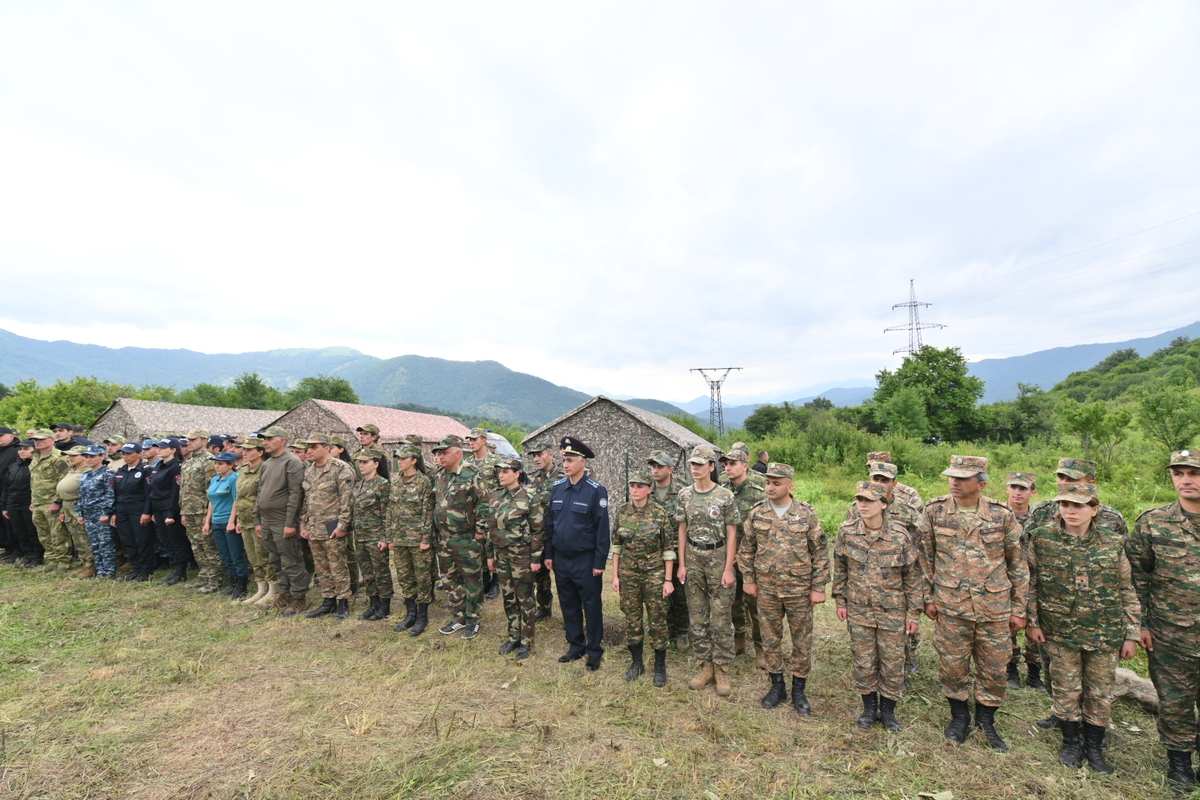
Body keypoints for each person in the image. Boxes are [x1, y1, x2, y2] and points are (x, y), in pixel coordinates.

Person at [1026, 481, 1139, 774]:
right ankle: (1071, 742)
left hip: (1104, 632)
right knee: (1066, 689)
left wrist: (1132, 633)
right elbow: (1031, 585)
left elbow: (1126, 589)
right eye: (1064, 504)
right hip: (1059, 630)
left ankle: (1094, 746)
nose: (1070, 510)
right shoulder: (1041, 538)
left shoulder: (1113, 542)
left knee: (1099, 693)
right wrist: (1033, 623)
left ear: (1094, 509)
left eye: (1078, 505)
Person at [922, 455, 1028, 751]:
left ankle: (986, 720)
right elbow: (924, 558)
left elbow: (1018, 564)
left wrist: (1019, 609)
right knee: (952, 666)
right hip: (951, 605)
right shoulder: (934, 511)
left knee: (994, 668)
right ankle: (959, 717)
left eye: (962, 478)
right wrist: (927, 598)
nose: (954, 482)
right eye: (951, 477)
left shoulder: (1001, 514)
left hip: (994, 607)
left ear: (981, 484)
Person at [1127, 450, 1200, 795]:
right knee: (1174, 701)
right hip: (1170, 633)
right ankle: (1180, 766)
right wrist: (1139, 624)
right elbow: (1137, 576)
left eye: (1194, 473)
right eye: (1178, 473)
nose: (1186, 480)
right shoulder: (1153, 522)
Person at [739, 462, 830, 715]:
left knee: (802, 640)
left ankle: (799, 689)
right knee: (770, 638)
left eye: (776, 483)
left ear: (790, 486)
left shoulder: (806, 514)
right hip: (767, 588)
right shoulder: (757, 513)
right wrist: (749, 579)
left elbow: (820, 552)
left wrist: (818, 587)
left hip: (799, 589)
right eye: (768, 482)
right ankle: (777, 686)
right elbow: (747, 548)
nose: (770, 487)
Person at [833, 482, 922, 732]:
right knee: (863, 661)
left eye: (869, 500)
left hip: (892, 611)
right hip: (859, 609)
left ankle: (889, 711)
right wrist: (840, 600)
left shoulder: (900, 535)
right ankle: (869, 708)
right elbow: (840, 568)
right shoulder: (847, 532)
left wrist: (913, 614)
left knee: (893, 663)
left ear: (883, 504)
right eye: (860, 500)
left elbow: (912, 578)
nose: (862, 505)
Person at [847, 461, 931, 680]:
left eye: (885, 480)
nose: (880, 483)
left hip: (898, 571)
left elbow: (920, 543)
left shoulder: (907, 511)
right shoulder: (857, 508)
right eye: (876, 479)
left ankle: (904, 663)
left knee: (901, 625)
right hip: (867, 573)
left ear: (894, 483)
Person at [676, 445, 740, 696]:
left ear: (711, 467)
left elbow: (732, 533)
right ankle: (705, 665)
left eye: (700, 464)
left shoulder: (724, 496)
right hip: (693, 557)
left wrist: (728, 568)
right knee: (697, 616)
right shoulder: (684, 495)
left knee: (721, 617)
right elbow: (682, 529)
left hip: (718, 556)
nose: (695, 468)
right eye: (692, 464)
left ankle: (722, 667)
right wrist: (682, 564)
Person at [544, 436, 609, 670]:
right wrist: (549, 554)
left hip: (585, 559)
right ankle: (576, 645)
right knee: (568, 603)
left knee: (591, 605)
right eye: (564, 460)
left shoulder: (595, 491)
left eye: (570, 460)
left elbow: (602, 529)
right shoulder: (558, 488)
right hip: (561, 558)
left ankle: (594, 650)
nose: (565, 464)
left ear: (583, 462)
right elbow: (550, 524)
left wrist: (599, 561)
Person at [612, 469, 674, 685]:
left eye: (640, 486)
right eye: (632, 486)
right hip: (628, 574)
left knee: (657, 619)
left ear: (649, 489)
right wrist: (615, 576)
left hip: (654, 575)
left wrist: (668, 580)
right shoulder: (622, 513)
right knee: (632, 619)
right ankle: (637, 662)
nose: (635, 490)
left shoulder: (659, 513)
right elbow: (617, 546)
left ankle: (660, 666)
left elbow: (668, 549)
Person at [430, 434, 489, 639]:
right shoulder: (439, 476)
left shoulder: (472, 474)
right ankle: (459, 617)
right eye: (438, 453)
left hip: (466, 539)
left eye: (444, 453)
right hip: (444, 539)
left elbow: (484, 504)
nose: (440, 456)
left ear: (457, 454)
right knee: (450, 580)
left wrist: (480, 532)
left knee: (471, 580)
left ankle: (473, 620)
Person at [487, 457, 544, 659]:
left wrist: (535, 559)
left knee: (525, 598)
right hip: (501, 554)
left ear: (517, 474)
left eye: (505, 471)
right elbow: (490, 527)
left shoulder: (529, 496)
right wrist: (490, 555)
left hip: (522, 556)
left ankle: (527, 641)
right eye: (499, 471)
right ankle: (513, 637)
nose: (501, 475)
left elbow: (538, 530)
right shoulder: (496, 495)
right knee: (508, 596)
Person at [299, 434, 355, 620]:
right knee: (321, 566)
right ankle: (328, 600)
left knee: (337, 564)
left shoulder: (341, 468)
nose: (309, 451)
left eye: (314, 447)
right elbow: (307, 500)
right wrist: (304, 524)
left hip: (332, 524)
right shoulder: (310, 471)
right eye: (308, 447)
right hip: (314, 525)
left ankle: (343, 601)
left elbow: (347, 500)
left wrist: (342, 525)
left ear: (327, 448)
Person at [254, 426, 309, 616]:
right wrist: (258, 519)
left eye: (270, 439)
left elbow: (296, 494)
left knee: (290, 560)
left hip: (282, 519)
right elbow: (260, 492)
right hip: (267, 520)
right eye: (265, 439)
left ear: (282, 440)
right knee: (275, 560)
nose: (265, 442)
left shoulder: (292, 462)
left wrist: (290, 523)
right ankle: (285, 594)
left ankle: (299, 597)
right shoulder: (267, 463)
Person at [720, 447, 766, 669]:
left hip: (750, 558)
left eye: (733, 464)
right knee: (734, 602)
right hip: (727, 557)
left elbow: (762, 529)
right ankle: (739, 640)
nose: (728, 468)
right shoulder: (721, 493)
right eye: (726, 464)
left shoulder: (758, 493)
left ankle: (761, 648)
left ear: (745, 466)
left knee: (755, 605)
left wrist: (745, 553)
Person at [386, 444, 435, 635]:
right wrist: (390, 537)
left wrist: (425, 539)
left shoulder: (423, 482)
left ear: (414, 460)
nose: (400, 462)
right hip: (399, 539)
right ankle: (410, 614)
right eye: (398, 458)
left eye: (403, 458)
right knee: (405, 578)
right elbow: (390, 511)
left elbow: (427, 512)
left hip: (417, 540)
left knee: (422, 579)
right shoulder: (396, 481)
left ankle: (422, 616)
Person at [1004, 471, 1045, 691]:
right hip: (1007, 578)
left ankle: (1034, 671)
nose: (1017, 492)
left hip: (1036, 578)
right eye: (1013, 487)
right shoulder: (998, 514)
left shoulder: (1040, 518)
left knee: (1036, 622)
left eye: (1023, 488)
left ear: (1033, 492)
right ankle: (1010, 668)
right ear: (1007, 489)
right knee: (1007, 624)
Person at [648, 450, 689, 649]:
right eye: (653, 466)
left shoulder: (682, 490)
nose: (655, 470)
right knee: (659, 594)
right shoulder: (646, 488)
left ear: (670, 469)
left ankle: (683, 631)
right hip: (655, 553)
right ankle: (666, 628)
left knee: (680, 594)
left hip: (678, 551)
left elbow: (688, 522)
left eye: (659, 466)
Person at [350, 447, 393, 621]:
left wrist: (385, 538)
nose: (361, 465)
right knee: (367, 573)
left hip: (376, 536)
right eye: (360, 462)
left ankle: (385, 605)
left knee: (381, 572)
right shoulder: (359, 484)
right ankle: (373, 603)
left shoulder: (382, 484)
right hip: (360, 536)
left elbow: (387, 513)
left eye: (365, 462)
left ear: (375, 464)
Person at [232, 437, 275, 605]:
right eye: (244, 449)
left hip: (260, 519)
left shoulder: (265, 469)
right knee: (253, 557)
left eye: (249, 450)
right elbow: (240, 496)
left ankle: (273, 589)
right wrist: (238, 518)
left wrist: (261, 520)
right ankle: (261, 589)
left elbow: (264, 497)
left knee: (264, 555)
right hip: (245, 519)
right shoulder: (243, 468)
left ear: (260, 452)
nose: (245, 452)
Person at [180, 429, 223, 593]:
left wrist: (208, 514)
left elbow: (211, 490)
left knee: (208, 546)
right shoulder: (189, 461)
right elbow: (184, 489)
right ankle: (204, 575)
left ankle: (215, 579)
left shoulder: (209, 461)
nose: (189, 442)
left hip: (202, 511)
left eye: (193, 439)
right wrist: (183, 511)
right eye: (188, 440)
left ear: (204, 441)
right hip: (189, 510)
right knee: (196, 546)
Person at [109, 443, 156, 581]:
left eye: (129, 453)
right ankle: (136, 568)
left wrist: (147, 512)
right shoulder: (121, 470)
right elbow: (116, 493)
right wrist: (115, 512)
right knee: (127, 540)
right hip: (122, 509)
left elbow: (149, 493)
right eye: (124, 453)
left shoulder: (146, 470)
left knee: (142, 540)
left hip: (138, 508)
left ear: (139, 454)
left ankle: (146, 570)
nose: (126, 456)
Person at [204, 451, 247, 599]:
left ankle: (242, 586)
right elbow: (211, 501)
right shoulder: (215, 479)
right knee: (225, 556)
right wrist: (208, 521)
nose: (217, 466)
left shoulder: (234, 478)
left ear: (230, 465)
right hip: (217, 522)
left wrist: (231, 521)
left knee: (236, 555)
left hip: (228, 521)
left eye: (220, 464)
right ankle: (233, 583)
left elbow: (236, 500)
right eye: (216, 463)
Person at [466, 428, 503, 599]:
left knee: (493, 546)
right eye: (470, 440)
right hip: (474, 512)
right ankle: (485, 579)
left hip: (492, 511)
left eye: (475, 439)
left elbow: (503, 486)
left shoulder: (495, 461)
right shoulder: (467, 462)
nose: (471, 442)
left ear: (484, 440)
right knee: (478, 547)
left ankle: (496, 582)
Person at [524, 442, 558, 620]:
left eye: (540, 454)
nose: (536, 459)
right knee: (540, 575)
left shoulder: (563, 477)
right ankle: (544, 607)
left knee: (563, 576)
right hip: (537, 535)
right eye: (534, 456)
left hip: (557, 535)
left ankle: (571, 611)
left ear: (551, 455)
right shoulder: (530, 478)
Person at [28, 429, 70, 572]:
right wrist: (33, 501)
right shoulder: (35, 456)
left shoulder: (58, 457)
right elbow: (35, 481)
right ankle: (51, 561)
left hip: (52, 502)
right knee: (44, 534)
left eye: (41, 439)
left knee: (58, 534)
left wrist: (57, 502)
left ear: (52, 440)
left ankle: (63, 562)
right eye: (36, 440)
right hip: (38, 502)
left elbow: (64, 480)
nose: (37, 442)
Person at [147, 439, 187, 586]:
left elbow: (176, 492)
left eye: (163, 447)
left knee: (176, 540)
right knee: (165, 540)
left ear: (173, 450)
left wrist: (171, 513)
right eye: (158, 447)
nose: (159, 450)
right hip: (158, 506)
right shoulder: (159, 466)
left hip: (169, 507)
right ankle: (174, 570)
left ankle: (180, 572)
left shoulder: (176, 466)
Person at [75, 445, 117, 579]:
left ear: (102, 457)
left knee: (105, 543)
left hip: (101, 514)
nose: (88, 459)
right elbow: (81, 496)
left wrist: (106, 512)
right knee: (94, 543)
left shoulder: (108, 473)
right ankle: (100, 570)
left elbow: (110, 495)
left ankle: (109, 571)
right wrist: (80, 513)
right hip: (88, 514)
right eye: (86, 457)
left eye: (92, 456)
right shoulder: (85, 475)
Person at [56, 445, 97, 578]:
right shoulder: (72, 470)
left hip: (78, 505)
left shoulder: (88, 471)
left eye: (74, 455)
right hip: (68, 505)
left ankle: (91, 565)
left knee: (84, 536)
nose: (71, 458)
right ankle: (84, 563)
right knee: (76, 537)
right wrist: (63, 509)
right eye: (70, 455)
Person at [3, 439, 42, 567]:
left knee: (32, 530)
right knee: (19, 531)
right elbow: (6, 487)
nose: (22, 452)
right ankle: (27, 554)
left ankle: (37, 556)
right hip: (13, 502)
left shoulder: (36, 465)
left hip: (28, 501)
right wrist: (4, 506)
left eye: (26, 449)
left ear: (34, 450)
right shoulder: (14, 466)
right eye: (20, 449)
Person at [0, 426, 21, 563]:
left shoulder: (16, 450)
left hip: (11, 491)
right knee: (2, 523)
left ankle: (18, 550)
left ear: (11, 436)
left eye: (1, 436)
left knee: (12, 522)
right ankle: (7, 547)